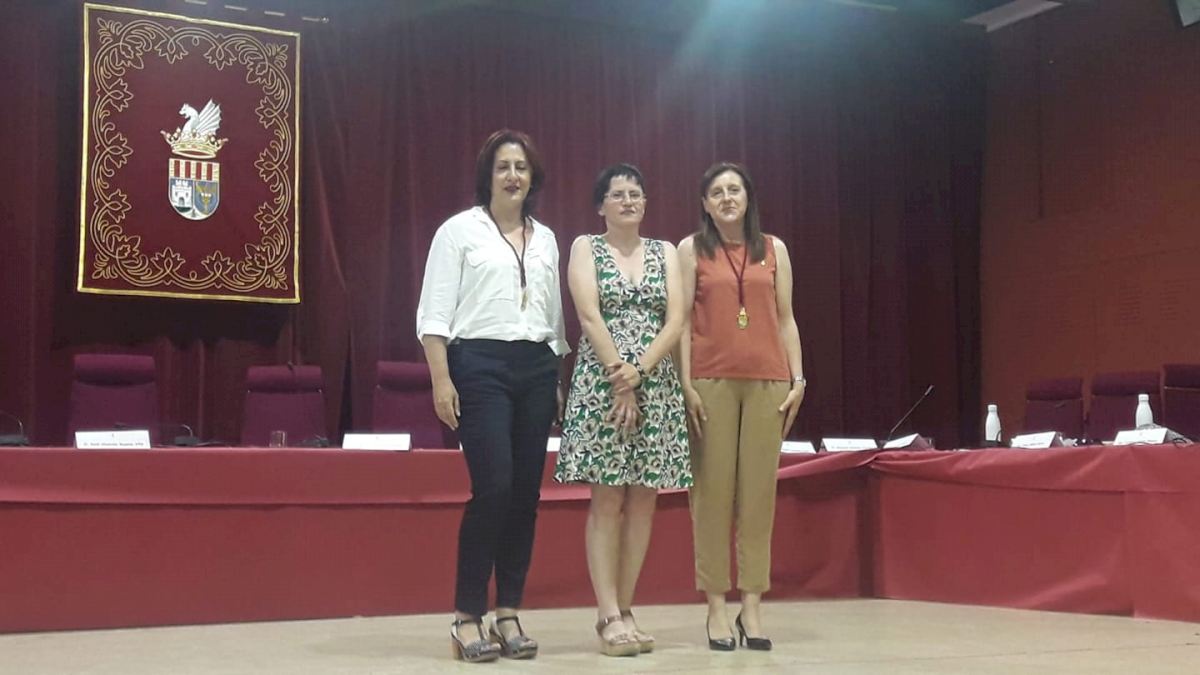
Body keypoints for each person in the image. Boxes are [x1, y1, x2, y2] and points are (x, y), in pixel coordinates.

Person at [416, 129, 569, 663]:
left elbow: (552, 315)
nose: (512, 176)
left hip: (537, 366)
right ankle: (466, 616)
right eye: (503, 166)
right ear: (488, 175)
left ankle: (508, 612)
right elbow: (434, 315)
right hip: (478, 366)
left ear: (533, 177)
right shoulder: (458, 232)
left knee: (526, 495)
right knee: (495, 486)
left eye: (521, 167)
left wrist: (554, 377)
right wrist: (442, 379)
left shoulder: (546, 238)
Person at [556, 164, 691, 657]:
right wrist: (620, 376)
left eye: (636, 193)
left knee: (644, 499)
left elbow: (676, 318)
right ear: (601, 205)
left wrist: (641, 371)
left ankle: (628, 608)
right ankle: (607, 613)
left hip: (655, 383)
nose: (628, 201)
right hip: (602, 383)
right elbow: (588, 314)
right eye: (617, 194)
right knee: (608, 498)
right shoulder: (585, 248)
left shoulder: (665, 251)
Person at [677, 162, 806, 652]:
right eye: (717, 192)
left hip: (768, 382)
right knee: (711, 496)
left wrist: (798, 378)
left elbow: (786, 318)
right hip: (709, 381)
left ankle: (751, 605)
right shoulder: (691, 249)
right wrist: (685, 383)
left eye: (734, 189)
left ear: (748, 197)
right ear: (705, 204)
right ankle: (715, 605)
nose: (727, 197)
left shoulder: (774, 249)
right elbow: (681, 321)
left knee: (758, 498)